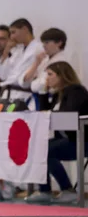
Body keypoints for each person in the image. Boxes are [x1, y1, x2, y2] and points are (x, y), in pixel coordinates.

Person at [25, 62, 88, 204]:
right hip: (68, 139)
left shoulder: (76, 91)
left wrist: (50, 113)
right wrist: (42, 92)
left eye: (50, 74)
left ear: (62, 75)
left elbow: (71, 113)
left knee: (47, 151)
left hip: (81, 139)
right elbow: (44, 112)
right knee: (37, 148)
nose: (47, 78)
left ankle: (68, 190)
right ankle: (44, 190)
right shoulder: (58, 94)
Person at [0, 18, 44, 109]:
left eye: (14, 32)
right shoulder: (17, 51)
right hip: (9, 96)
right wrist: (6, 50)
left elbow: (24, 78)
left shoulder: (39, 49)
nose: (12, 37)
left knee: (19, 122)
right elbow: (3, 75)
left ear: (25, 29)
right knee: (5, 121)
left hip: (24, 96)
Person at [23, 28, 70, 110]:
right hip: (41, 99)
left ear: (59, 43)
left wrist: (35, 81)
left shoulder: (61, 62)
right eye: (43, 42)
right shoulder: (44, 59)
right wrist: (36, 63)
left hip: (53, 100)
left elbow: (41, 85)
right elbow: (28, 78)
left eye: (47, 42)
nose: (44, 45)